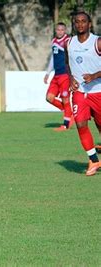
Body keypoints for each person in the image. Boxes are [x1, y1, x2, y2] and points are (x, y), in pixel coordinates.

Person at [66, 11, 101, 176]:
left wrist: (94, 76)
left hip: (98, 92)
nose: (80, 24)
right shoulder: (69, 42)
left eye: (83, 21)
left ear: (89, 24)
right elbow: (68, 63)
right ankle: (94, 160)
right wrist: (70, 77)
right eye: (77, 22)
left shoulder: (98, 42)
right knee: (80, 124)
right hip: (79, 92)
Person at [44, 22, 73, 131]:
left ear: (65, 31)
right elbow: (53, 59)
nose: (60, 32)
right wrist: (47, 73)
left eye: (62, 30)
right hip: (56, 76)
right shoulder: (54, 42)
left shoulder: (68, 41)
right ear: (55, 31)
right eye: (58, 30)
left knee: (65, 99)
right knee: (49, 98)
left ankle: (65, 125)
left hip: (65, 75)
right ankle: (68, 113)